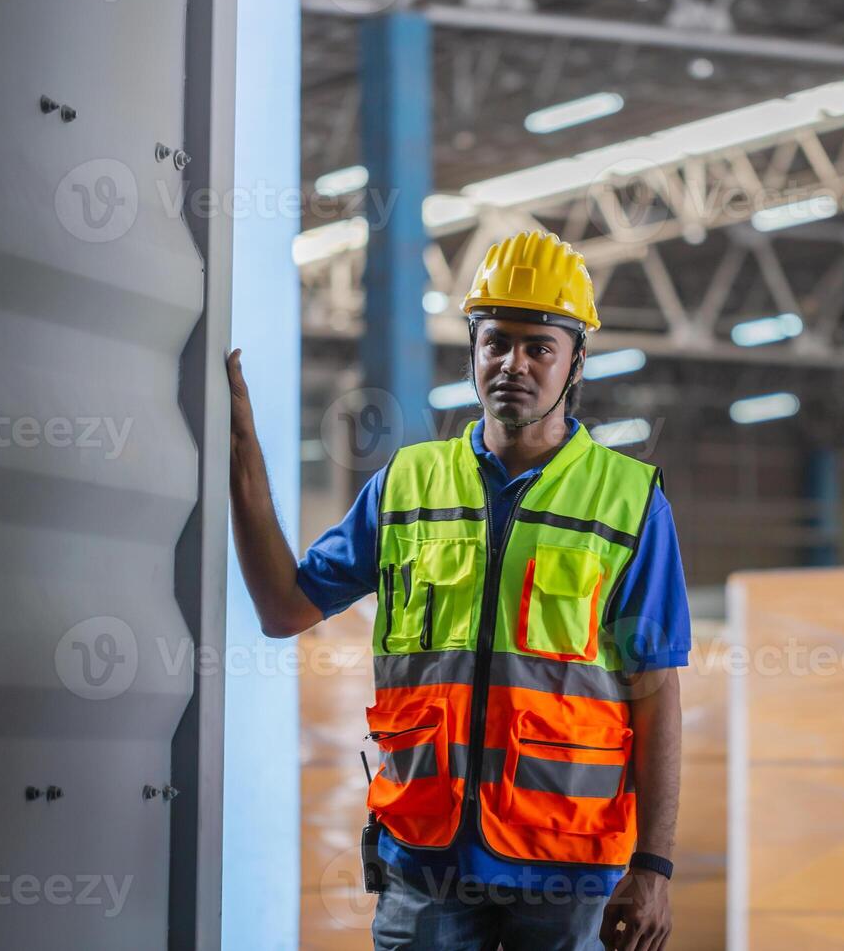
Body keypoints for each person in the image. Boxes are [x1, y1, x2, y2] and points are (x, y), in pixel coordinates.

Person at [228, 230, 690, 950]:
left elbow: (655, 692)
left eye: (540, 346)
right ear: (473, 350)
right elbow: (284, 608)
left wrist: (654, 866)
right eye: (496, 341)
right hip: (426, 863)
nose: (514, 363)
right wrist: (242, 458)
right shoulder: (407, 485)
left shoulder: (629, 502)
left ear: (575, 363)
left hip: (567, 868)